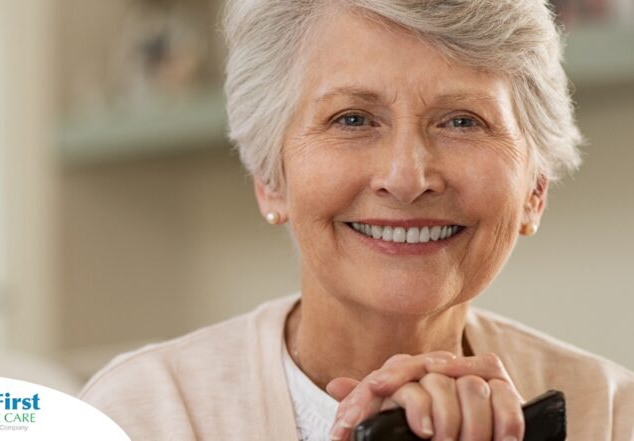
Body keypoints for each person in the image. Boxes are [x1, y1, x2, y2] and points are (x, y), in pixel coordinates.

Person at [79, 1, 634, 440]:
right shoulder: (139, 416)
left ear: (536, 189)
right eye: (353, 118)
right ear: (271, 178)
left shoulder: (611, 415)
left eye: (462, 121)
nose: (407, 176)